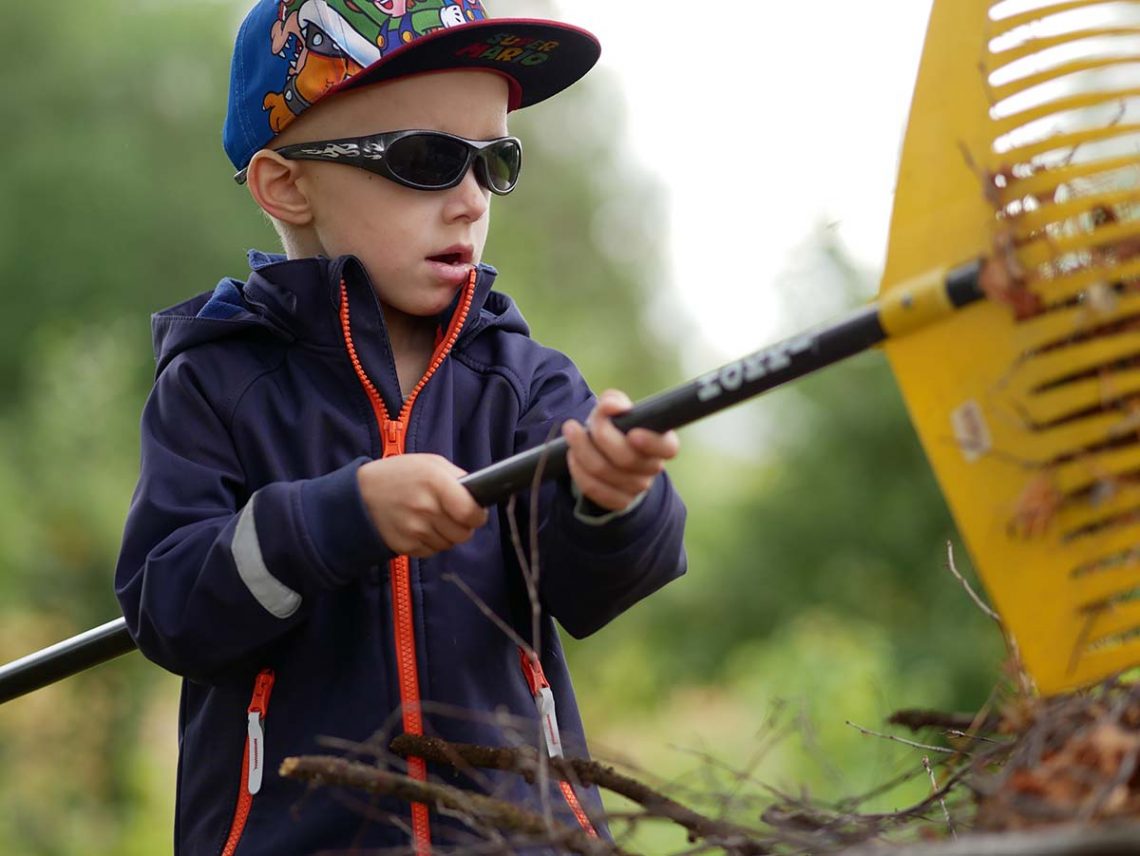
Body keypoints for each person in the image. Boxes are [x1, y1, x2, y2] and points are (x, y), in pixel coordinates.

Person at [114, 1, 687, 853]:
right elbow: (168, 607)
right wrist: (338, 518)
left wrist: (615, 499)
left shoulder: (525, 384)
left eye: (492, 161)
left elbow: (590, 590)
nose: (467, 201)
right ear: (287, 184)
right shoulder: (217, 380)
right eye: (425, 160)